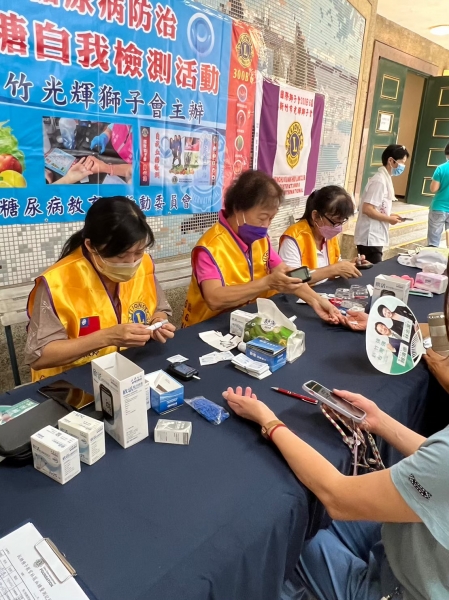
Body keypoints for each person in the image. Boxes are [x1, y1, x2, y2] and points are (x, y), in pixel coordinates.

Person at [223, 384, 449, 600]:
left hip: (405, 587)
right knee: (306, 516)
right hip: (408, 550)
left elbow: (337, 497)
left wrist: (269, 422)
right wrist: (379, 421)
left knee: (284, 533)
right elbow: (438, 458)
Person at [26, 196, 175, 381]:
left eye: (139, 252)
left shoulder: (143, 264)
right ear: (91, 246)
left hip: (128, 370)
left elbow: (159, 308)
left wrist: (158, 322)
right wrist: (106, 337)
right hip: (72, 382)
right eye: (120, 256)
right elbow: (39, 356)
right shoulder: (57, 282)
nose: (131, 262)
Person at [181, 170, 344, 327]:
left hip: (246, 321)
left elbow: (286, 274)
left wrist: (318, 301)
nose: (266, 226)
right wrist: (267, 283)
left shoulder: (260, 239)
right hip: (206, 327)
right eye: (262, 218)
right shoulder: (209, 248)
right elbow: (214, 298)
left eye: (271, 219)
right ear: (238, 209)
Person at [279, 186, 366, 285]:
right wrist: (333, 269)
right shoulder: (293, 238)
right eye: (334, 222)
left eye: (341, 222)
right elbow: (292, 278)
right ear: (315, 216)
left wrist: (350, 265)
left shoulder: (328, 235)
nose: (338, 227)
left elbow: (335, 265)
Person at [354, 145, 409, 264]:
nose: (403, 167)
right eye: (401, 163)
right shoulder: (379, 181)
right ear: (391, 161)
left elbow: (378, 207)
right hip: (370, 237)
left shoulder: (385, 179)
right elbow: (367, 209)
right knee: (373, 269)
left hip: (375, 236)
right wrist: (389, 219)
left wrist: (390, 215)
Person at [427, 142, 449, 247]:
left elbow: (433, 189)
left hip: (438, 207)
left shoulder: (441, 168)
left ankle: (432, 256)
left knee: (433, 242)